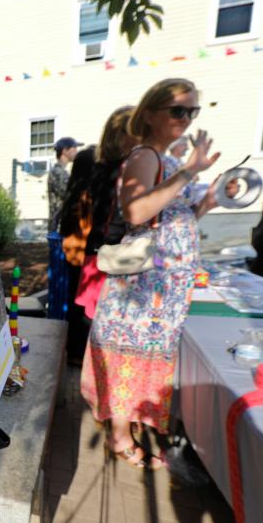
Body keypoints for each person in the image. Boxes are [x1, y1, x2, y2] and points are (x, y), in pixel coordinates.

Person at [81, 78, 221, 470]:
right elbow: (137, 212)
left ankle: (126, 429)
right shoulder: (146, 155)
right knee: (130, 355)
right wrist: (190, 173)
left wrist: (204, 204)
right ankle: (120, 437)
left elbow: (171, 219)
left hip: (162, 289)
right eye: (177, 110)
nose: (186, 119)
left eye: (192, 111)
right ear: (149, 114)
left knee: (145, 356)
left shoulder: (168, 158)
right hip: (143, 288)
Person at [75, 106, 137, 321]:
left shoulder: (107, 165)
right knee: (101, 323)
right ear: (121, 135)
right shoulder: (119, 168)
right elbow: (112, 218)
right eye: (137, 130)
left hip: (101, 251)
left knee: (95, 322)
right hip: (109, 254)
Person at [58, 145, 97, 362]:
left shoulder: (74, 189)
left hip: (74, 254)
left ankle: (74, 351)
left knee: (75, 304)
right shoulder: (88, 194)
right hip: (86, 257)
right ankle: (78, 353)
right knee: (83, 307)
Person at [47, 137, 83, 232]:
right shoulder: (57, 172)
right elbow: (70, 196)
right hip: (60, 225)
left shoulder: (62, 172)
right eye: (74, 148)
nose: (76, 151)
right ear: (64, 151)